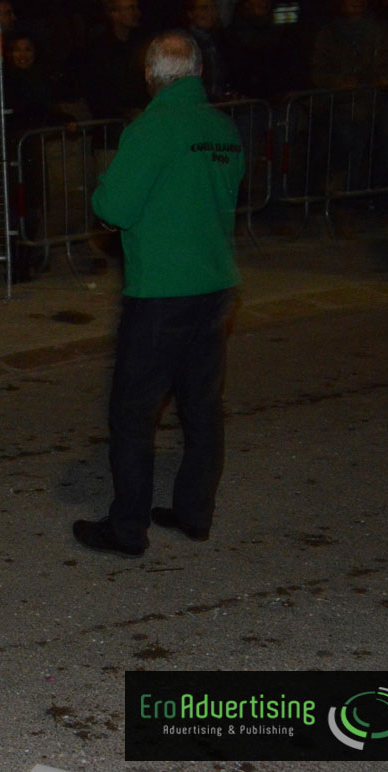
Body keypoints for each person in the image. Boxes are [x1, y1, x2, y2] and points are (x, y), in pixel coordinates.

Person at [73, 31, 244, 557]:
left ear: (149, 77)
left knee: (132, 414)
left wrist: (105, 184)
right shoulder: (223, 128)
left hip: (161, 295)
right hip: (216, 287)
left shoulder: (150, 128)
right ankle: (194, 513)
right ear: (196, 73)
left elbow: (114, 208)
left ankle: (127, 529)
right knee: (201, 407)